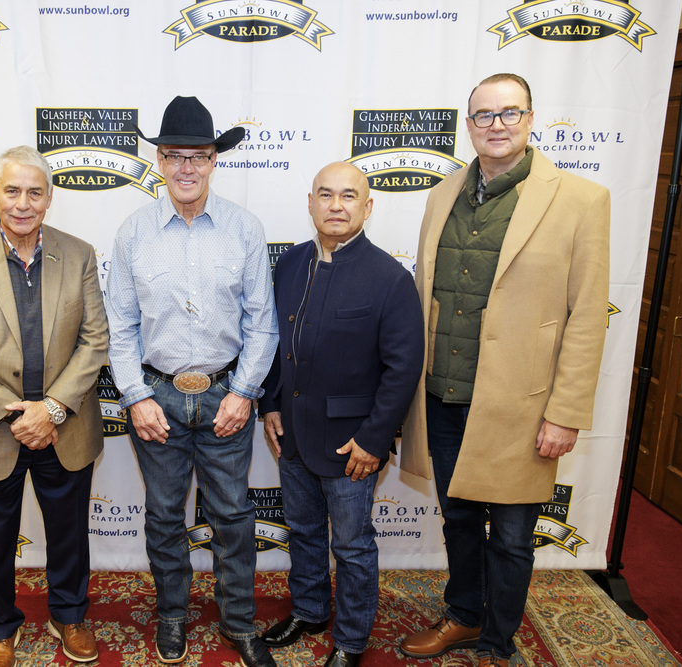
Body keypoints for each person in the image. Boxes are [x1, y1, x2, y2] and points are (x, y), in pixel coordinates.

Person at [397, 73, 610, 667]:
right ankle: (464, 617)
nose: (496, 124)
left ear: (530, 118)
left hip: (524, 404)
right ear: (468, 126)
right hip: (442, 394)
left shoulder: (582, 200)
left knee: (513, 537)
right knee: (459, 520)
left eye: (509, 113)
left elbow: (588, 317)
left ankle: (498, 641)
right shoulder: (441, 194)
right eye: (484, 115)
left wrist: (565, 414)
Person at [105, 96, 279, 667]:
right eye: (174, 155)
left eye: (198, 156)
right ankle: (172, 615)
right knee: (162, 514)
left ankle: (238, 621)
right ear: (158, 160)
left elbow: (263, 324)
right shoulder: (133, 233)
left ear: (212, 161)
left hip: (227, 396)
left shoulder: (244, 230)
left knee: (232, 514)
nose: (186, 167)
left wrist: (244, 392)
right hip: (155, 398)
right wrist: (134, 397)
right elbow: (121, 328)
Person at [0, 145, 109, 667]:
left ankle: (69, 616)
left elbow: (95, 341)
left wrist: (50, 410)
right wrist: (16, 413)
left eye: (35, 192)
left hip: (64, 426)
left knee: (70, 534)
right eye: (12, 191)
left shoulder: (78, 254)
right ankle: (1, 627)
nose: (23, 203)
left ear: (50, 198)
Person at [258, 162, 424, 667]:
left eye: (348, 196)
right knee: (304, 532)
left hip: (352, 444)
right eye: (325, 195)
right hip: (292, 435)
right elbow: (271, 342)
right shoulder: (288, 264)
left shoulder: (389, 278)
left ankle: (351, 641)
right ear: (310, 203)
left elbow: (403, 369)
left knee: (351, 547)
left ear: (367, 207)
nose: (335, 205)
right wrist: (269, 404)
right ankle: (310, 610)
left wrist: (374, 440)